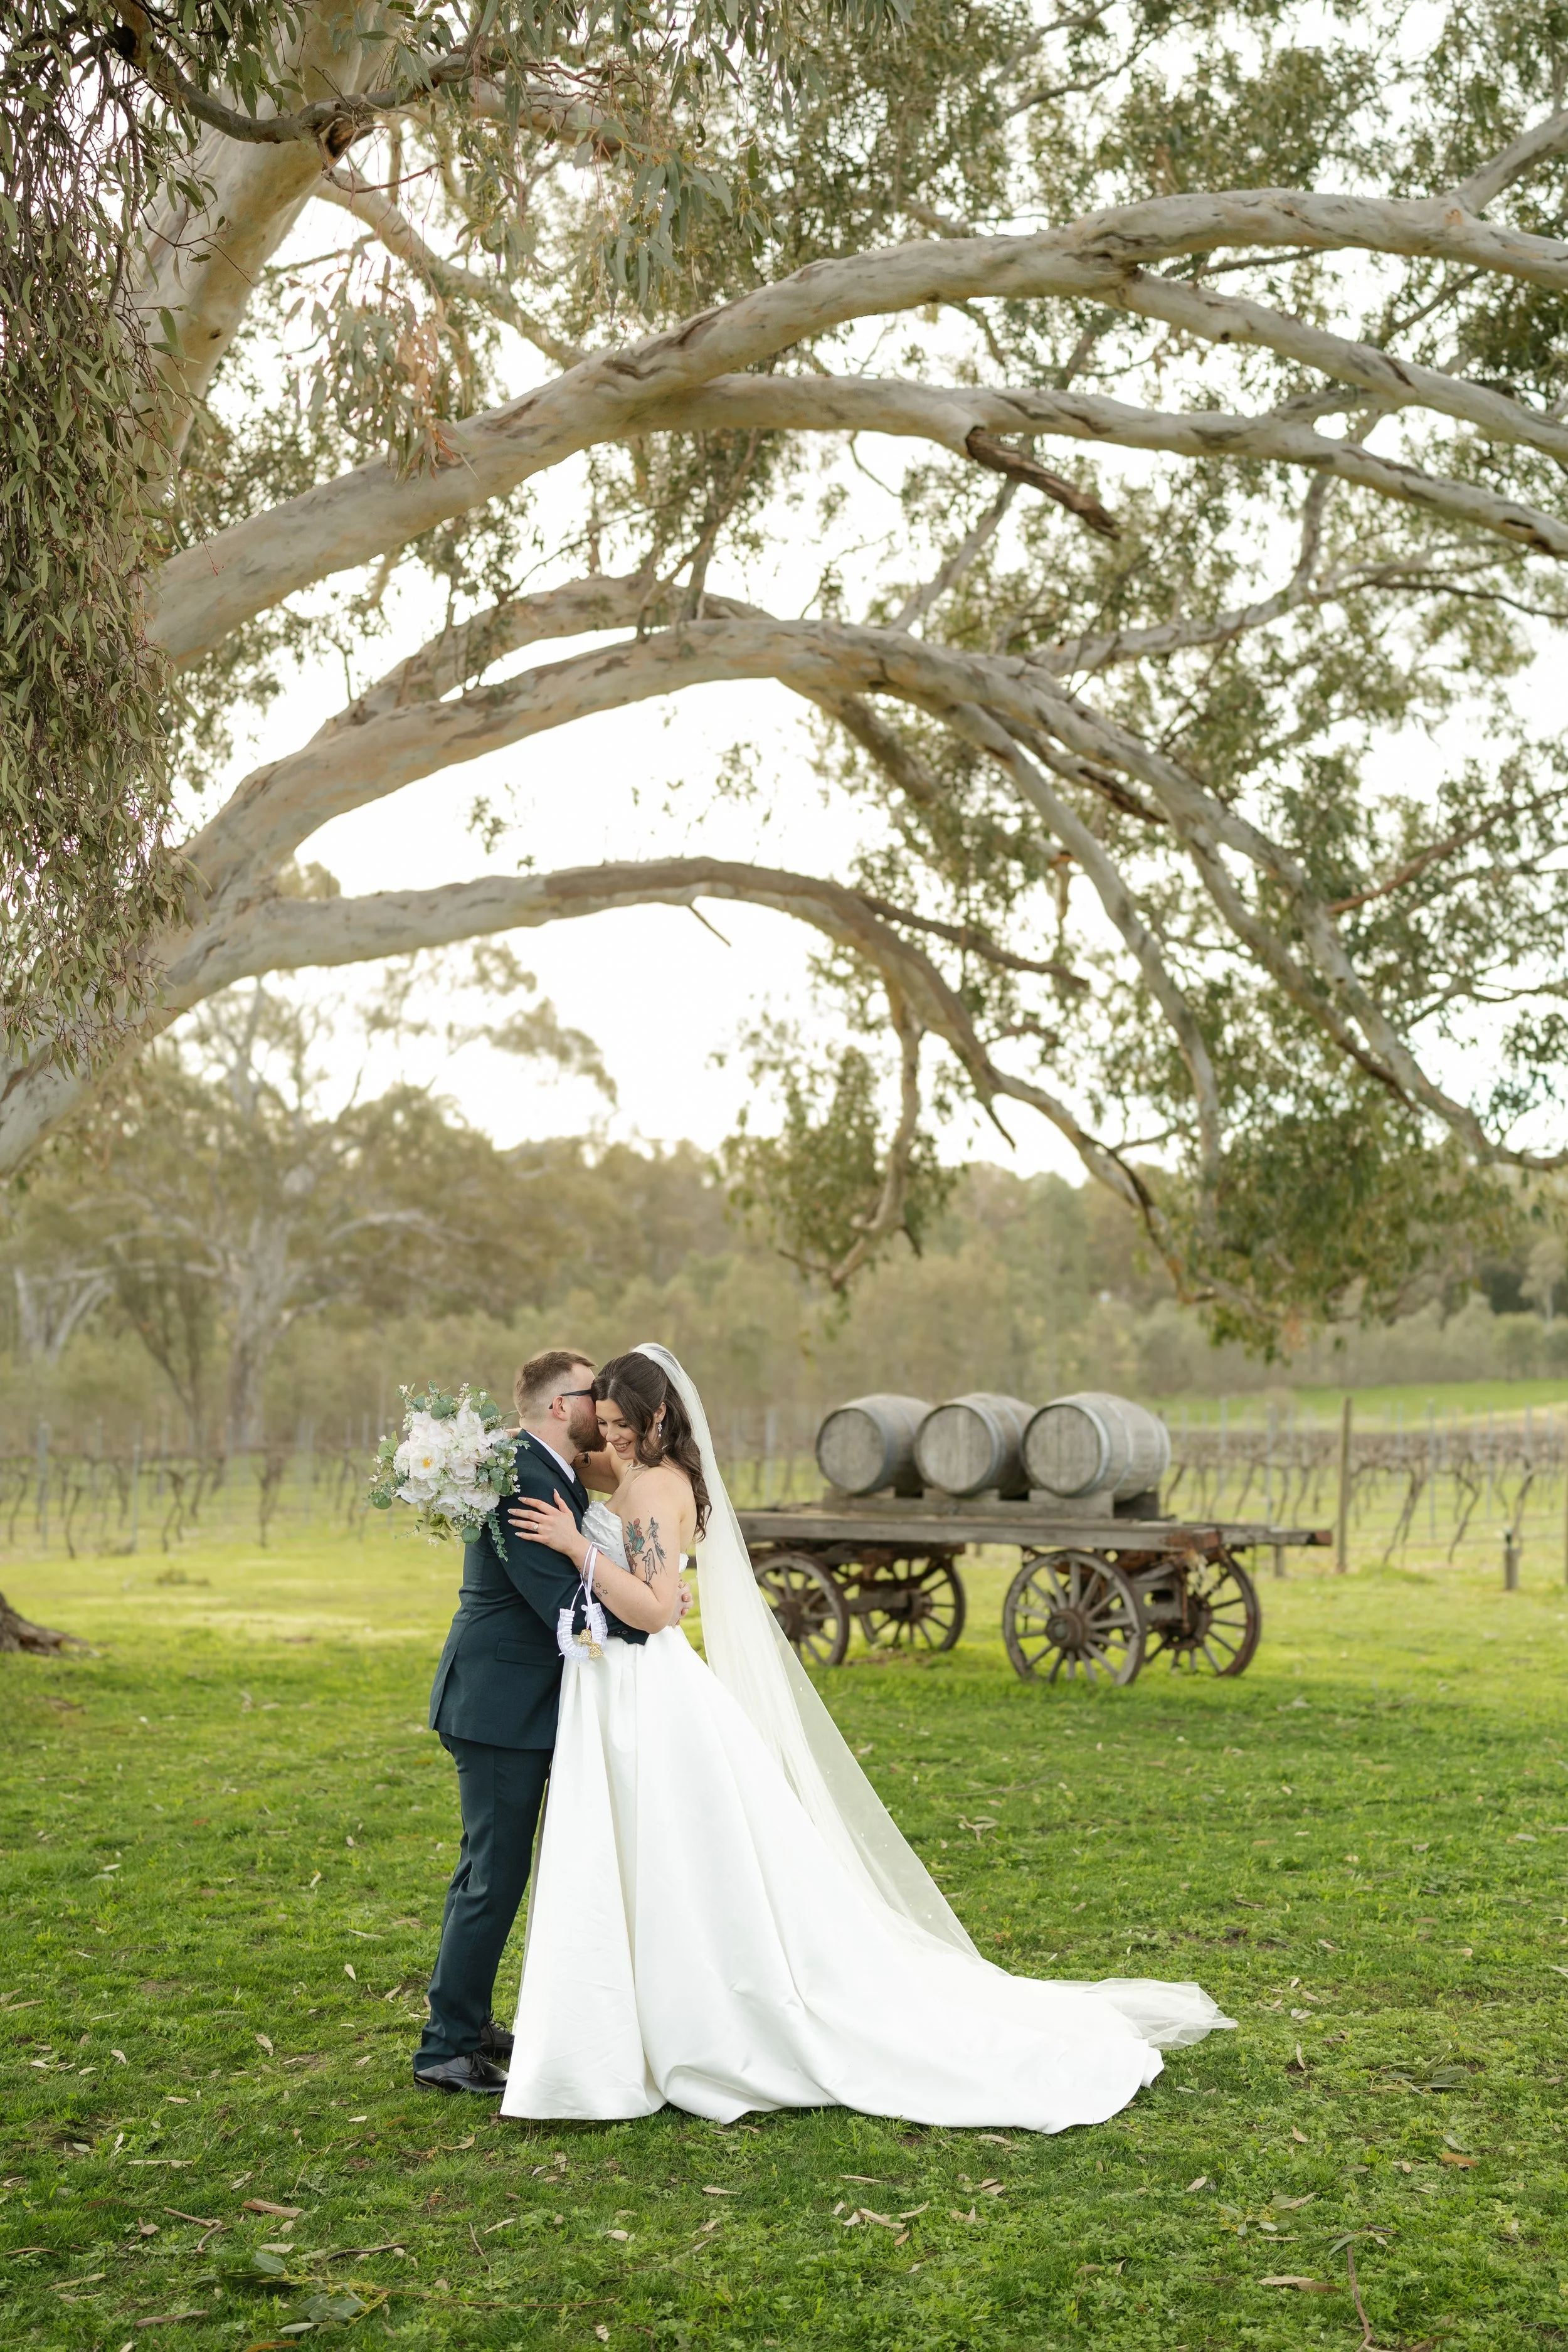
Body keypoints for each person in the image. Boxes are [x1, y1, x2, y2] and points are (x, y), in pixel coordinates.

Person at [499, 1343, 1235, 2131]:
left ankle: (681, 2016)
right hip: (637, 1687)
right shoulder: (655, 1477)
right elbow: (605, 1503)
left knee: (667, 1852)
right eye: (598, 1423)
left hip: (644, 1689)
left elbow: (647, 1610)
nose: (605, 1439)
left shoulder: (649, 1489)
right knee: (669, 1853)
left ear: (654, 1419)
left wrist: (578, 1548)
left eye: (617, 1425)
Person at [412, 1347, 650, 2094]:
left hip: (509, 1701)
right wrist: (648, 1620)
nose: (603, 1404)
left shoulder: (543, 1468)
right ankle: (445, 2049)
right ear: (560, 1405)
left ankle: (466, 2019)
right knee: (493, 1875)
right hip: (497, 1706)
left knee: (486, 1869)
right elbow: (560, 1598)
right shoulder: (521, 1475)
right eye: (593, 1393)